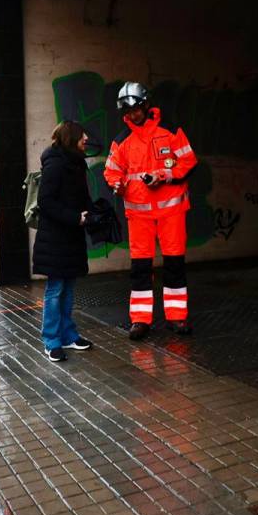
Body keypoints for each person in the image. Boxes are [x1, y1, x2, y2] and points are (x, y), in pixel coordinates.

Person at [102, 82, 197, 340]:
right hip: (139, 215)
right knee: (140, 268)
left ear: (145, 105)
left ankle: (177, 318)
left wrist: (164, 176)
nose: (132, 115)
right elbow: (111, 171)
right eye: (128, 111)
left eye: (136, 109)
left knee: (174, 264)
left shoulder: (170, 132)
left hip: (171, 212)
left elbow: (188, 162)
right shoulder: (121, 141)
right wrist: (116, 184)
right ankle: (140, 320)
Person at [33, 121, 95, 363]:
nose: (86, 138)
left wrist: (93, 212)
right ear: (71, 138)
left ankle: (69, 335)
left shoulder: (76, 162)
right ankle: (51, 340)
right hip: (56, 239)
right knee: (55, 290)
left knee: (68, 288)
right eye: (82, 135)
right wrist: (74, 217)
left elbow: (82, 196)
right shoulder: (56, 165)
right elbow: (46, 202)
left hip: (71, 236)